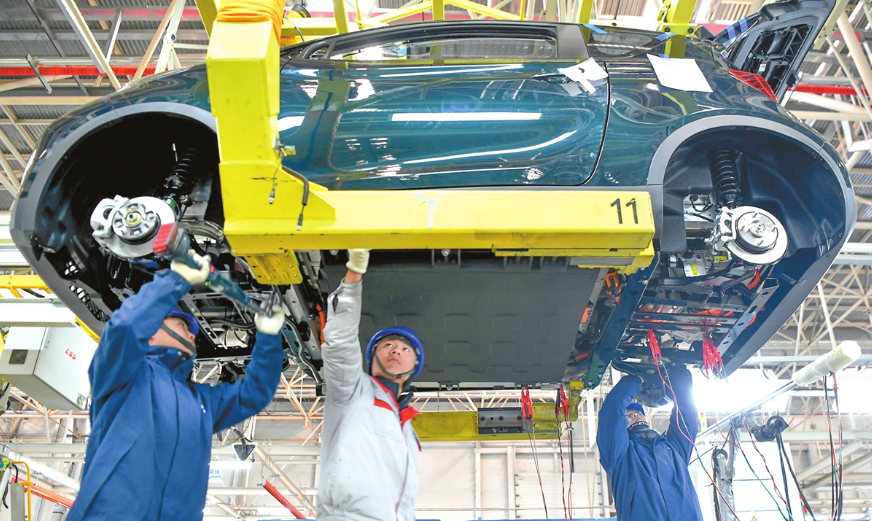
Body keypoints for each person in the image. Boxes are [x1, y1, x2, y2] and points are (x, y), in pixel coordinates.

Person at [67, 251, 286, 521]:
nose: (192, 334)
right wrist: (174, 280)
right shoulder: (125, 375)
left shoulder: (201, 402)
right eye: (182, 325)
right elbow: (125, 328)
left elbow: (254, 393)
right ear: (152, 332)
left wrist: (269, 337)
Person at [317, 249, 425, 521]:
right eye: (388, 345)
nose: (396, 350)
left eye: (405, 349)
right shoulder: (352, 390)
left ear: (414, 367)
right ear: (372, 355)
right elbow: (340, 340)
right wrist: (354, 272)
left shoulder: (408, 428)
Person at [597, 364, 703, 521]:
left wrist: (678, 376)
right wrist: (636, 380)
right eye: (628, 415)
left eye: (638, 413)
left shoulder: (674, 449)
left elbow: (687, 415)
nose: (635, 415)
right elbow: (611, 414)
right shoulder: (620, 456)